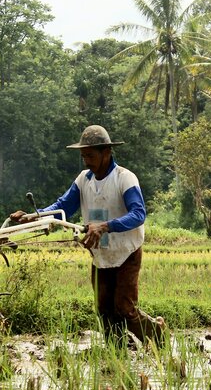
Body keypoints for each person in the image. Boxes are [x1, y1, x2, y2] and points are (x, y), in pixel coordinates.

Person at [10, 125, 166, 347]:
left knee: (124, 308)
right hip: (100, 253)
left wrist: (105, 226)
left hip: (126, 252)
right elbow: (63, 206)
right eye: (83, 156)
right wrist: (35, 216)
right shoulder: (84, 180)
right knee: (104, 309)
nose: (86, 161)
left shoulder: (125, 178)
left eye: (91, 156)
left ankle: (159, 337)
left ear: (106, 153)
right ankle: (117, 355)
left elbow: (139, 214)